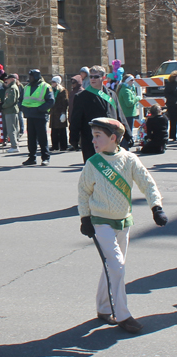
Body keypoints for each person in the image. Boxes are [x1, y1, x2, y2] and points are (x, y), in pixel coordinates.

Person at [78, 117, 167, 333]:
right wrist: (85, 219)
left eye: (98, 136)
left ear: (113, 138)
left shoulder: (129, 159)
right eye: (93, 136)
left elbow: (147, 183)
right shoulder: (93, 163)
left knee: (112, 267)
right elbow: (83, 192)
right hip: (100, 222)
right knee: (117, 266)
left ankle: (102, 308)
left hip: (123, 221)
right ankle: (123, 315)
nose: (93, 141)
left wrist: (156, 206)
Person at [69, 65, 130, 163]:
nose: (93, 79)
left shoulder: (111, 94)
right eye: (91, 77)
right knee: (95, 171)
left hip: (111, 139)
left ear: (103, 77)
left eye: (96, 77)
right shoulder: (81, 97)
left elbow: (120, 116)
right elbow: (76, 119)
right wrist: (74, 139)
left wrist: (128, 135)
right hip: (92, 141)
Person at [20, 69, 55, 166]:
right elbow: (21, 99)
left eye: (31, 76)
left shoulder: (46, 86)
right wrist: (22, 108)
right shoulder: (26, 87)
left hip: (40, 116)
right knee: (31, 138)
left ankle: (45, 158)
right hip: (30, 116)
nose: (29, 78)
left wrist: (40, 109)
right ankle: (32, 158)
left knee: (42, 138)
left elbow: (50, 101)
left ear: (36, 76)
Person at [116, 74, 141, 149]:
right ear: (127, 81)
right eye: (131, 80)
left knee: (126, 131)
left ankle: (124, 147)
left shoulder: (128, 89)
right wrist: (137, 98)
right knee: (127, 132)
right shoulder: (126, 91)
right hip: (127, 114)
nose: (133, 82)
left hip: (128, 113)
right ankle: (125, 147)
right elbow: (129, 103)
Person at [1, 74, 20, 153]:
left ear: (12, 79)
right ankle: (15, 144)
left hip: (10, 110)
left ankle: (14, 146)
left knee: (11, 129)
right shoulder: (11, 87)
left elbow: (10, 101)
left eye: (8, 79)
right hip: (11, 110)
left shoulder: (12, 88)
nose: (6, 80)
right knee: (14, 128)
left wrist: (2, 106)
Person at [49, 76, 69, 151]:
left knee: (62, 131)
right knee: (54, 131)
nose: (52, 83)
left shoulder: (62, 91)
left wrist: (63, 113)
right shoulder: (51, 90)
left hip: (60, 113)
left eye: (53, 82)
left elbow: (65, 102)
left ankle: (63, 146)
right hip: (53, 113)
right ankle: (55, 146)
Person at [164, 70, 177, 141]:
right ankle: (172, 136)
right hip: (172, 105)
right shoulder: (170, 84)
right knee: (173, 121)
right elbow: (167, 94)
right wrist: (174, 100)